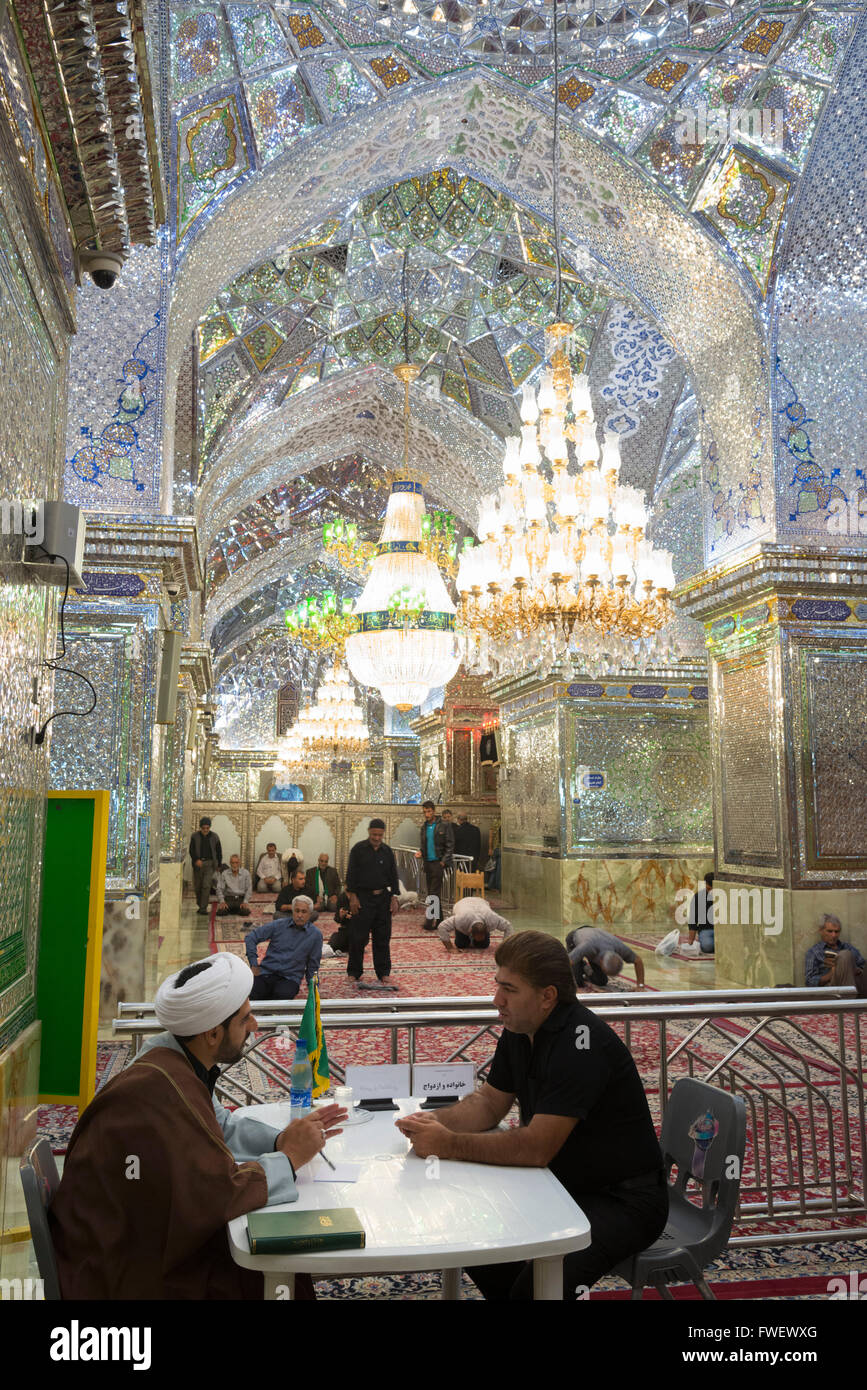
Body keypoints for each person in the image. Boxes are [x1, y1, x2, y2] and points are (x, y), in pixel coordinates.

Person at [48, 953, 346, 1298]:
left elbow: (222, 1126)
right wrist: (290, 1159)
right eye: (245, 1019)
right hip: (120, 1269)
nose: (255, 1028)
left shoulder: (173, 1059)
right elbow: (215, 1193)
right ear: (212, 1033)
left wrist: (282, 1141)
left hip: (141, 1238)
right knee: (265, 1269)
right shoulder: (160, 1088)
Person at [396, 931, 667, 1300]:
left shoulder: (580, 1043)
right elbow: (490, 1103)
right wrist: (429, 1123)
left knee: (539, 1287)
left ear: (547, 996)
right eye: (497, 985)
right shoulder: (520, 1029)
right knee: (475, 1238)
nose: (497, 1000)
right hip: (561, 1184)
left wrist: (448, 1144)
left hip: (623, 1201)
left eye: (509, 989)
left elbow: (536, 1148)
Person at [344, 818, 399, 986]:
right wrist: (352, 897)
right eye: (374, 834)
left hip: (382, 899)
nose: (376, 838)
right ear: (369, 832)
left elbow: (393, 876)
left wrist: (394, 897)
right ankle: (354, 971)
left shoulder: (387, 851)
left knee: (382, 937)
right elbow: (351, 875)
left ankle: (383, 973)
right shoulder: (358, 850)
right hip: (362, 899)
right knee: (358, 937)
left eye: (380, 835)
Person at [244, 895, 323, 999]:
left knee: (281, 996)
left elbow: (313, 965)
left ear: (310, 914)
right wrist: (254, 964)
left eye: (304, 912)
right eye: (297, 911)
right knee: (252, 992)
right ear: (292, 911)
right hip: (267, 973)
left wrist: (313, 990)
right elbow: (251, 937)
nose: (299, 915)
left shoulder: (315, 935)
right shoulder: (279, 925)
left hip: (290, 978)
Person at [565, 925, 646, 990]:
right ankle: (580, 964)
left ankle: (585, 967)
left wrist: (640, 986)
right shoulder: (587, 947)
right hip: (575, 938)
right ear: (600, 962)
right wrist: (575, 989)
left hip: (596, 939)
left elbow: (638, 960)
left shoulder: (619, 947)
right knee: (577, 981)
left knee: (601, 981)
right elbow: (566, 962)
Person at [416, 800, 454, 931]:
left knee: (433, 892)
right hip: (427, 863)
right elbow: (423, 845)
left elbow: (450, 845)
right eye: (425, 812)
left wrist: (443, 861)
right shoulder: (424, 827)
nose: (427, 814)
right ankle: (440, 920)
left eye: (429, 811)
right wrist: (420, 852)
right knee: (434, 893)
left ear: (434, 811)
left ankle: (429, 920)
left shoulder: (444, 825)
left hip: (438, 862)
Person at [805, 915, 867, 995]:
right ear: (821, 931)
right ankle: (848, 1000)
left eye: (836, 932)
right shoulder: (814, 952)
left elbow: (863, 966)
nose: (834, 935)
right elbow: (809, 982)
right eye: (830, 931)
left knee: (847, 955)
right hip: (832, 989)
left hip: (856, 985)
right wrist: (832, 973)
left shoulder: (848, 947)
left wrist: (853, 968)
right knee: (845, 955)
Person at [438, 896, 513, 952]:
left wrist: (505, 947)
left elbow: (508, 926)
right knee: (461, 944)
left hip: (481, 902)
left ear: (487, 930)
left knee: (483, 945)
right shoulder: (461, 919)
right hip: (463, 903)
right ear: (470, 931)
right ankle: (464, 938)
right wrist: (450, 948)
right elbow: (442, 927)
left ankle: (478, 941)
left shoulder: (492, 919)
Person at [189, 816, 223, 915]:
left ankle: (203, 908)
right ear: (200, 827)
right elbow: (191, 850)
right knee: (198, 886)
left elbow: (219, 851)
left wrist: (219, 864)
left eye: (207, 828)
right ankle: (200, 905)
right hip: (198, 865)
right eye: (203, 828)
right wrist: (196, 860)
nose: (205, 830)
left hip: (210, 864)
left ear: (209, 827)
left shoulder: (215, 837)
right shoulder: (194, 836)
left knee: (206, 886)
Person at [687, 872, 715, 953]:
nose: (710, 891)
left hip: (723, 931)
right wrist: (690, 941)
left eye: (712, 889)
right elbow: (693, 920)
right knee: (707, 946)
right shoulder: (699, 897)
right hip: (706, 930)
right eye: (708, 889)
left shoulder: (724, 896)